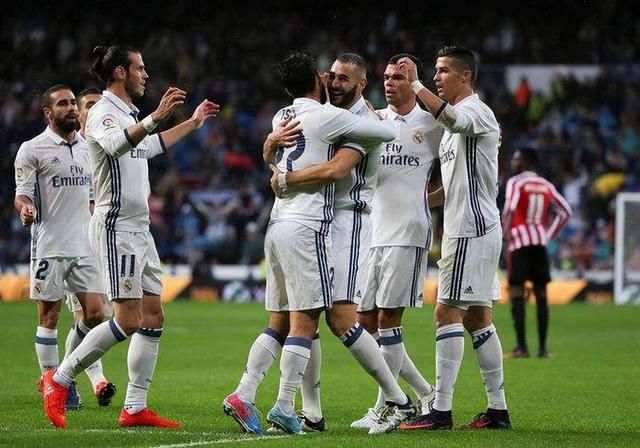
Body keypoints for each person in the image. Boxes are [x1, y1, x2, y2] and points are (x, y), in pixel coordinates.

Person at [224, 51, 409, 436]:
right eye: (330, 76)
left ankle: (292, 404)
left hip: (338, 223)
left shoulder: (295, 117)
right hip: (312, 225)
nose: (335, 82)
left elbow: (336, 168)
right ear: (319, 80)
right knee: (310, 319)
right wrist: (272, 147)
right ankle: (298, 407)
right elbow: (362, 141)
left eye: (343, 78)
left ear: (360, 83)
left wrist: (273, 152)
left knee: (312, 318)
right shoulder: (331, 117)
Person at [41, 45, 220, 429]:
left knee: (153, 315)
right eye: (140, 68)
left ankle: (135, 407)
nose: (147, 75)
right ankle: (59, 380)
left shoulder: (127, 113)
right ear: (120, 72)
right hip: (115, 225)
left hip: (140, 228)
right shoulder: (103, 112)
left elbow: (147, 146)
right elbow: (117, 143)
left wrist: (190, 123)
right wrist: (156, 116)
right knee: (125, 320)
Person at [397, 46, 512, 430]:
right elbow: (453, 186)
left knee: (446, 312)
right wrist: (421, 200)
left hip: (469, 229)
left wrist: (412, 83)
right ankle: (497, 410)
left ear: (466, 76)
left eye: (443, 70)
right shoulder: (454, 129)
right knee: (478, 318)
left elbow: (452, 119)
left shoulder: (475, 111)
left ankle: (440, 410)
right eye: (434, 71)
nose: (436, 77)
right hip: (472, 226)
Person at [351, 53, 442, 430]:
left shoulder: (431, 124)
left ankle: (388, 405)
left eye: (399, 78)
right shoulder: (376, 122)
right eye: (387, 77)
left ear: (413, 83)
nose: (390, 83)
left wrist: (426, 201)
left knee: (389, 319)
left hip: (407, 232)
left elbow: (455, 171)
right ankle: (424, 393)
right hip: (373, 233)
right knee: (364, 321)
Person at [13, 85, 109, 412]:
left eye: (72, 103)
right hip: (50, 245)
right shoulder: (32, 149)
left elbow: (95, 197)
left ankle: (61, 377)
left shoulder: (89, 148)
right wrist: (25, 209)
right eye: (63, 104)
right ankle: (53, 386)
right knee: (49, 316)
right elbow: (22, 194)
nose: (71, 109)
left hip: (86, 245)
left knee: (97, 315)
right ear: (48, 112)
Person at [61, 88, 117, 407]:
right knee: (89, 315)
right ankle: (84, 381)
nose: (98, 111)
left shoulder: (109, 146)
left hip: (106, 240)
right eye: (92, 106)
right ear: (80, 113)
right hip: (77, 242)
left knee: (102, 316)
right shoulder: (72, 150)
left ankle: (69, 377)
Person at [502, 147, 573, 358]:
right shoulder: (545, 185)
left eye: (516, 159)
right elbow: (565, 212)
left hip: (519, 244)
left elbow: (510, 208)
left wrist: (505, 234)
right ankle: (542, 348)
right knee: (541, 295)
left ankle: (521, 347)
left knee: (516, 291)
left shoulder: (516, 182)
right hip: (540, 244)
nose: (513, 162)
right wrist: (548, 234)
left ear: (523, 161)